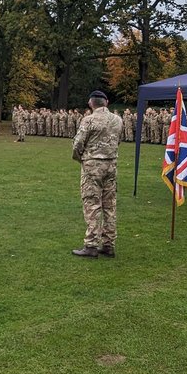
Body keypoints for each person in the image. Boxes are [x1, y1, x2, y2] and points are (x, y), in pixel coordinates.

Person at [70, 90, 122, 258]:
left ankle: (91, 245)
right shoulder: (117, 120)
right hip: (111, 165)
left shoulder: (89, 119)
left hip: (92, 165)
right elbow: (117, 141)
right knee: (109, 205)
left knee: (92, 204)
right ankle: (108, 244)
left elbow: (78, 144)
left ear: (91, 103)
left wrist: (82, 159)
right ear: (106, 102)